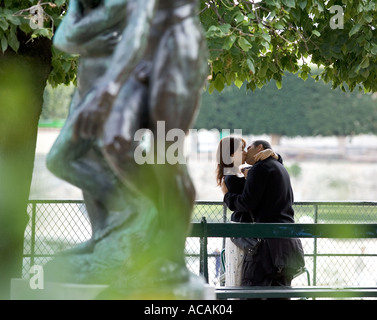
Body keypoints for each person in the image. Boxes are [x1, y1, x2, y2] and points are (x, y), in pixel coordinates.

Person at [221, 140, 305, 291]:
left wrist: (227, 197)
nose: (246, 151)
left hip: (268, 246)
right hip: (288, 243)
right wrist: (275, 155)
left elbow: (247, 203)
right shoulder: (278, 166)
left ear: (260, 148)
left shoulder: (259, 170)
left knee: (253, 292)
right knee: (281, 293)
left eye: (249, 147)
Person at [216, 136, 280, 287]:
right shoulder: (232, 178)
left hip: (244, 236)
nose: (245, 153)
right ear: (231, 155)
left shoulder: (234, 175)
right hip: (243, 236)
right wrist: (228, 197)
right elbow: (246, 203)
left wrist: (273, 155)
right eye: (241, 150)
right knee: (240, 277)